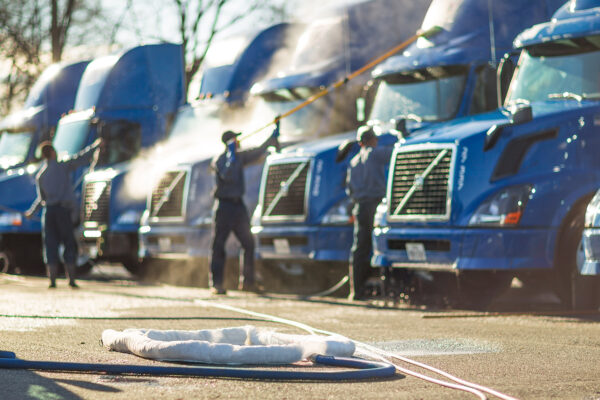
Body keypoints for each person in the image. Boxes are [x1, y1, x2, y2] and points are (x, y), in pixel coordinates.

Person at [209, 123, 279, 295]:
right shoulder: (219, 160)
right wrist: (230, 155)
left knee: (248, 243)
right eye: (235, 139)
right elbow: (228, 175)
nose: (238, 142)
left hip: (238, 206)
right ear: (229, 142)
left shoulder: (239, 157)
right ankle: (216, 284)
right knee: (219, 245)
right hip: (224, 207)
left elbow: (259, 151)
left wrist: (272, 135)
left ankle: (248, 282)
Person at [25, 138, 103, 288]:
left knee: (50, 245)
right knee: (69, 243)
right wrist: (96, 146)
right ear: (53, 152)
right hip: (63, 211)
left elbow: (41, 199)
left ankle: (52, 281)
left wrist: (31, 212)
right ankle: (71, 280)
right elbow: (82, 158)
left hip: (48, 213)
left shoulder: (40, 175)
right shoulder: (62, 166)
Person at [345, 126, 393, 300]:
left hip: (360, 207)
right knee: (380, 245)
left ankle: (356, 290)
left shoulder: (353, 162)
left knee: (359, 248)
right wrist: (402, 135)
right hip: (375, 205)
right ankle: (387, 289)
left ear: (360, 142)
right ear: (372, 140)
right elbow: (394, 152)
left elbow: (349, 190)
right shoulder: (374, 153)